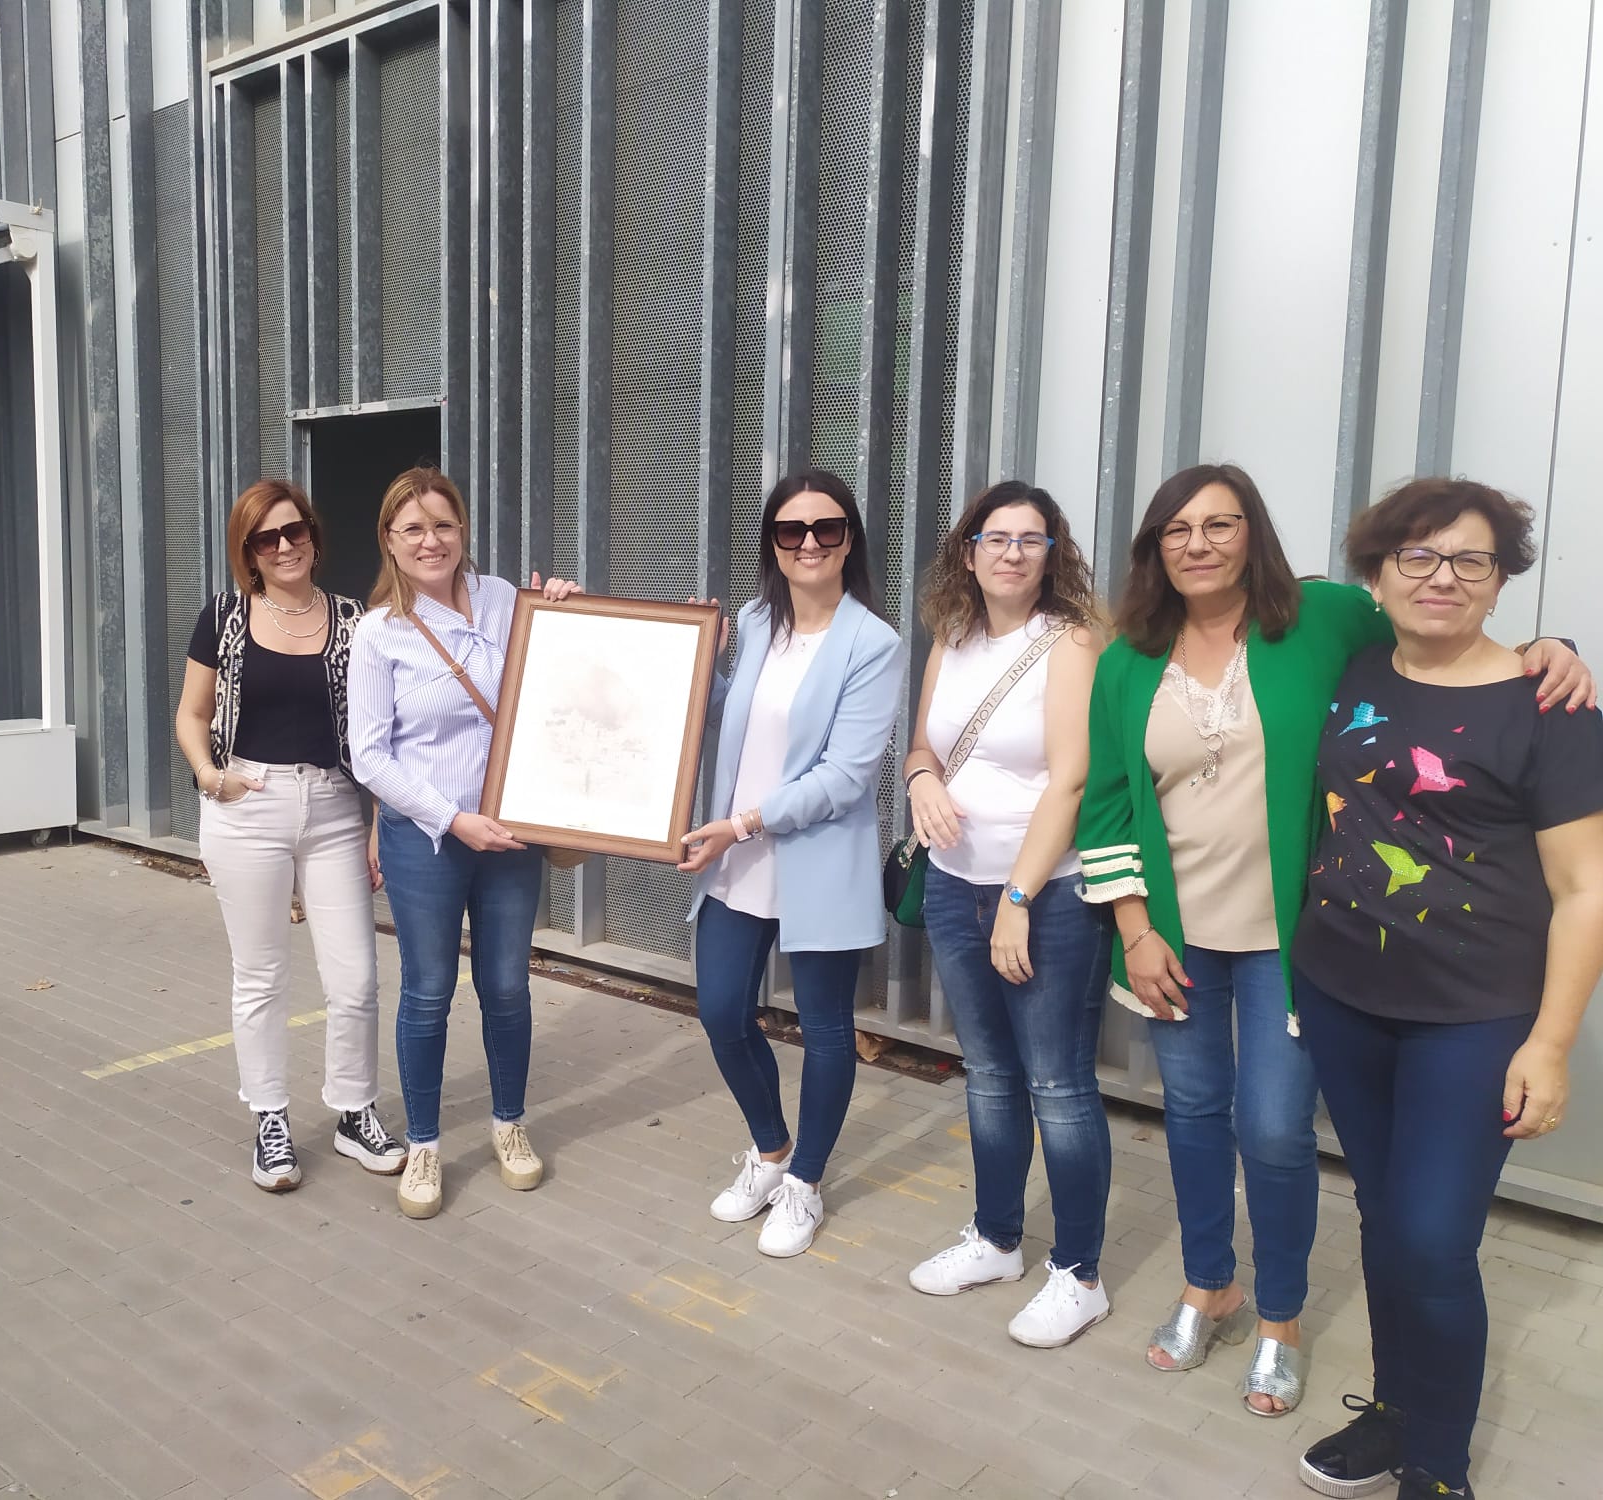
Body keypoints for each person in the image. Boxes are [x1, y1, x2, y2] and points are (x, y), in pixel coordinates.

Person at [1075, 462, 1592, 1417]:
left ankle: (1280, 1317)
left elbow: (1440, 634)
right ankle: (1208, 1284)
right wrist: (1135, 930)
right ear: (1154, 548)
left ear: (1254, 535)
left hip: (1293, 936)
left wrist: (1546, 649)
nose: (1199, 544)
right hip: (1175, 936)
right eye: (1178, 529)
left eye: (1221, 524)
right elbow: (1105, 802)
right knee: (1193, 1113)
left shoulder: (1321, 619)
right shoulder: (1127, 659)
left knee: (1274, 1130)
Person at [1291, 480, 1603, 1500]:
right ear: (1377, 576)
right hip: (1339, 994)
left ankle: (1437, 1465)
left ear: (1501, 578)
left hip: (1473, 1017)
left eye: (1471, 560)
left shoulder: (1549, 708)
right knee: (1384, 1216)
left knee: (1431, 1239)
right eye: (1416, 558)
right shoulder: (1350, 665)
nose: (1442, 578)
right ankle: (1394, 1411)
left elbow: (1585, 888)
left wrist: (1548, 1045)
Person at [899, 481, 1112, 1346]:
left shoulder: (1071, 641)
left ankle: (1080, 1273)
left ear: (1054, 554)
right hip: (954, 885)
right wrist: (920, 779)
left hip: (1046, 895)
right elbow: (923, 744)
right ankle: (995, 1240)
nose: (1013, 553)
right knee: (988, 1073)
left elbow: (1071, 779)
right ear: (970, 550)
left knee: (1057, 1084)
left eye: (1032, 539)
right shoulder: (951, 638)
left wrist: (1019, 898)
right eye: (997, 538)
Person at [679, 469, 905, 1259]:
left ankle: (806, 1181)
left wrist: (743, 823)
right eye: (791, 529)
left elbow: (846, 776)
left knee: (826, 1029)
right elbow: (728, 714)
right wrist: (692, 662)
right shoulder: (754, 620)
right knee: (721, 1012)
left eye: (826, 528)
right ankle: (772, 1148)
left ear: (850, 541)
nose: (809, 543)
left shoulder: (873, 643)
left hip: (813, 861)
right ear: (771, 543)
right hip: (739, 863)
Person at [346, 466, 578, 1220]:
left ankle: (508, 1123)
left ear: (463, 529)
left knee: (507, 986)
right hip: (428, 839)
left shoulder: (507, 599)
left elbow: (557, 684)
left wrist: (570, 616)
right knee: (428, 991)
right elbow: (369, 756)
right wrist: (452, 818)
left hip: (510, 832)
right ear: (389, 540)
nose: (430, 540)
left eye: (443, 524)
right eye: (412, 528)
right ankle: (423, 1142)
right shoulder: (378, 633)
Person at [174, 479, 406, 1193]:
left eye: (294, 530)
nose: (284, 547)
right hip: (247, 804)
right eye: (265, 538)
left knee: (356, 978)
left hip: (333, 805)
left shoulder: (353, 620)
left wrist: (375, 824)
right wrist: (211, 777)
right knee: (261, 974)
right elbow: (191, 715)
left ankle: (354, 1111)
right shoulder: (224, 618)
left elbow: (375, 734)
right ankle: (270, 1119)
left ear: (313, 534)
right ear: (248, 552)